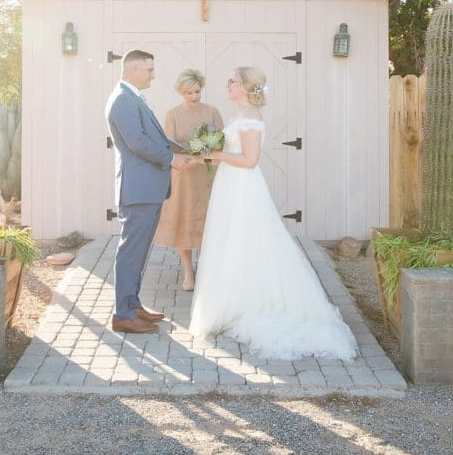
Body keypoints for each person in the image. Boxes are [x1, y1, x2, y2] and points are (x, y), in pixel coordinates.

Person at [189, 67, 358, 360]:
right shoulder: (240, 118)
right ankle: (233, 299)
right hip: (231, 185)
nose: (227, 84)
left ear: (244, 87)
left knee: (247, 239)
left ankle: (249, 302)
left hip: (244, 188)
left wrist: (214, 155)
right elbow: (236, 157)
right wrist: (209, 155)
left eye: (232, 81)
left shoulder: (251, 121)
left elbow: (250, 160)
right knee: (233, 242)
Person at [105, 49, 190, 334]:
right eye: (149, 70)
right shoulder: (122, 101)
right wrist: (172, 160)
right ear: (133, 70)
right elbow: (138, 143)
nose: (154, 74)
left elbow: (153, 136)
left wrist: (182, 149)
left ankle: (133, 304)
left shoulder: (132, 98)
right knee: (131, 252)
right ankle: (123, 314)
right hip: (138, 190)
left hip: (147, 190)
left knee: (139, 251)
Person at [154, 69, 224, 292]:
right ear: (180, 92)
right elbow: (169, 145)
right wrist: (183, 155)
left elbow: (222, 143)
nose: (194, 96)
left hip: (207, 175)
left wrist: (205, 153)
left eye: (197, 91)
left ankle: (206, 269)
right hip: (183, 176)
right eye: (188, 93)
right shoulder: (172, 114)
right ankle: (188, 271)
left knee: (207, 221)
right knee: (184, 222)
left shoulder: (212, 112)